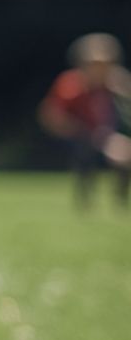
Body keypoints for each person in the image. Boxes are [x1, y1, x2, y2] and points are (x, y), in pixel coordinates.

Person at [38, 32, 131, 211]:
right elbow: (51, 115)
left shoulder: (114, 85)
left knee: (126, 153)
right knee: (84, 151)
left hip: (103, 136)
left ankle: (120, 199)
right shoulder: (70, 85)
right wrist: (81, 132)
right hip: (74, 135)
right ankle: (85, 200)